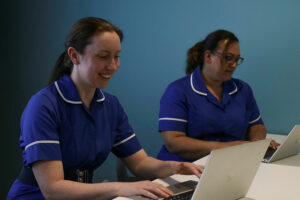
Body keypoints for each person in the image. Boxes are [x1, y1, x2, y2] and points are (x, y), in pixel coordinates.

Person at [7, 17, 204, 200]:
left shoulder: (110, 105)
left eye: (116, 56)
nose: (112, 66)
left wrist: (175, 167)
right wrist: (119, 188)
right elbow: (53, 188)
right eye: (103, 56)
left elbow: (140, 163)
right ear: (74, 56)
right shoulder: (43, 105)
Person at [157, 29, 279, 162]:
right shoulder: (178, 90)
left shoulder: (242, 89)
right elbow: (173, 142)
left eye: (237, 59)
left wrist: (257, 143)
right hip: (183, 167)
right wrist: (227, 148)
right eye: (227, 58)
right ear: (208, 56)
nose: (233, 65)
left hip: (229, 162)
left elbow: (256, 125)